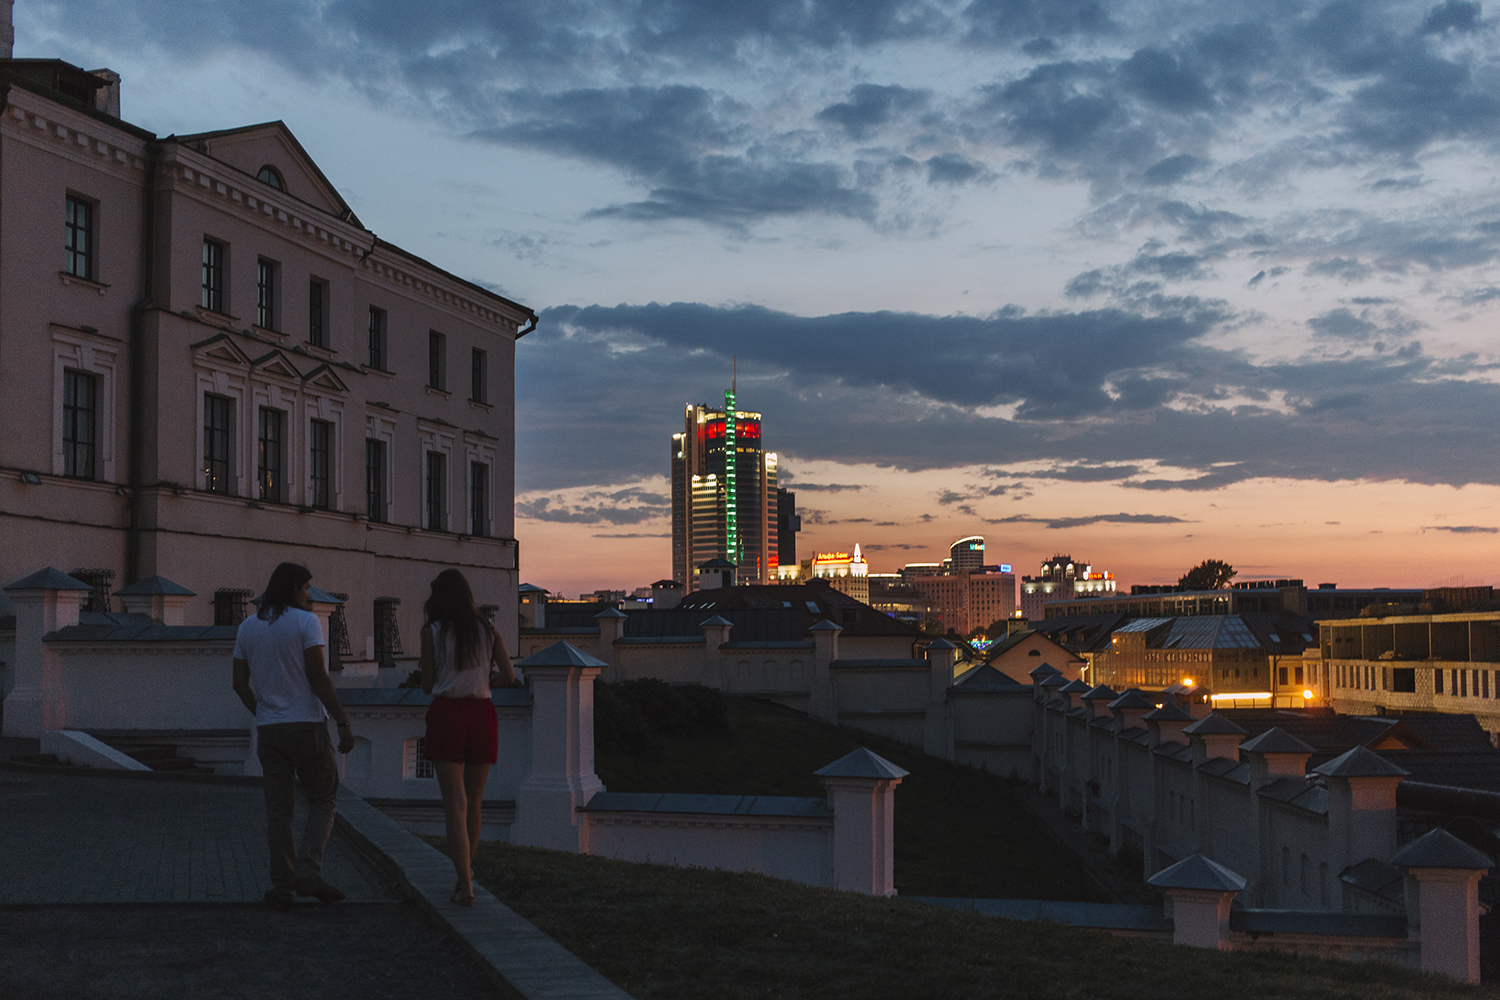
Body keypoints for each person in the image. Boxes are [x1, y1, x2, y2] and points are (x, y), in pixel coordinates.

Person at [231, 562, 356, 910]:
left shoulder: (247, 627)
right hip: (307, 727)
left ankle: (282, 887)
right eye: (306, 589)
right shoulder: (305, 623)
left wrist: (262, 711)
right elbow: (318, 675)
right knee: (324, 798)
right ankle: (308, 872)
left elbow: (239, 683)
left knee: (279, 811)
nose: (309, 597)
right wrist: (342, 720)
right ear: (294, 589)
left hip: (269, 731)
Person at [419, 568, 516, 905]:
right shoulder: (488, 629)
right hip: (482, 714)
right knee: (474, 804)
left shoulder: (432, 631)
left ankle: (466, 882)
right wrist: (483, 682)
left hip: (448, 713)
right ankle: (466, 877)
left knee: (454, 806)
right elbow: (510, 675)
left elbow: (428, 684)